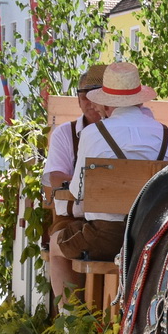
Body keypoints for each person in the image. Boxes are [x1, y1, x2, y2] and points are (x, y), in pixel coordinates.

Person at [57, 61, 168, 264]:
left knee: (57, 242)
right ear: (140, 102)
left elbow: (78, 193)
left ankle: (70, 297)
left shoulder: (91, 133)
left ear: (107, 103)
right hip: (153, 239)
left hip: (106, 240)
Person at [43, 63, 105, 301]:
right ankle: (69, 316)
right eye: (85, 97)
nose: (90, 103)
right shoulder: (65, 133)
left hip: (114, 218)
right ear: (78, 101)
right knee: (59, 238)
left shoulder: (119, 130)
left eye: (96, 96)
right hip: (75, 216)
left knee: (58, 244)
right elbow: (56, 176)